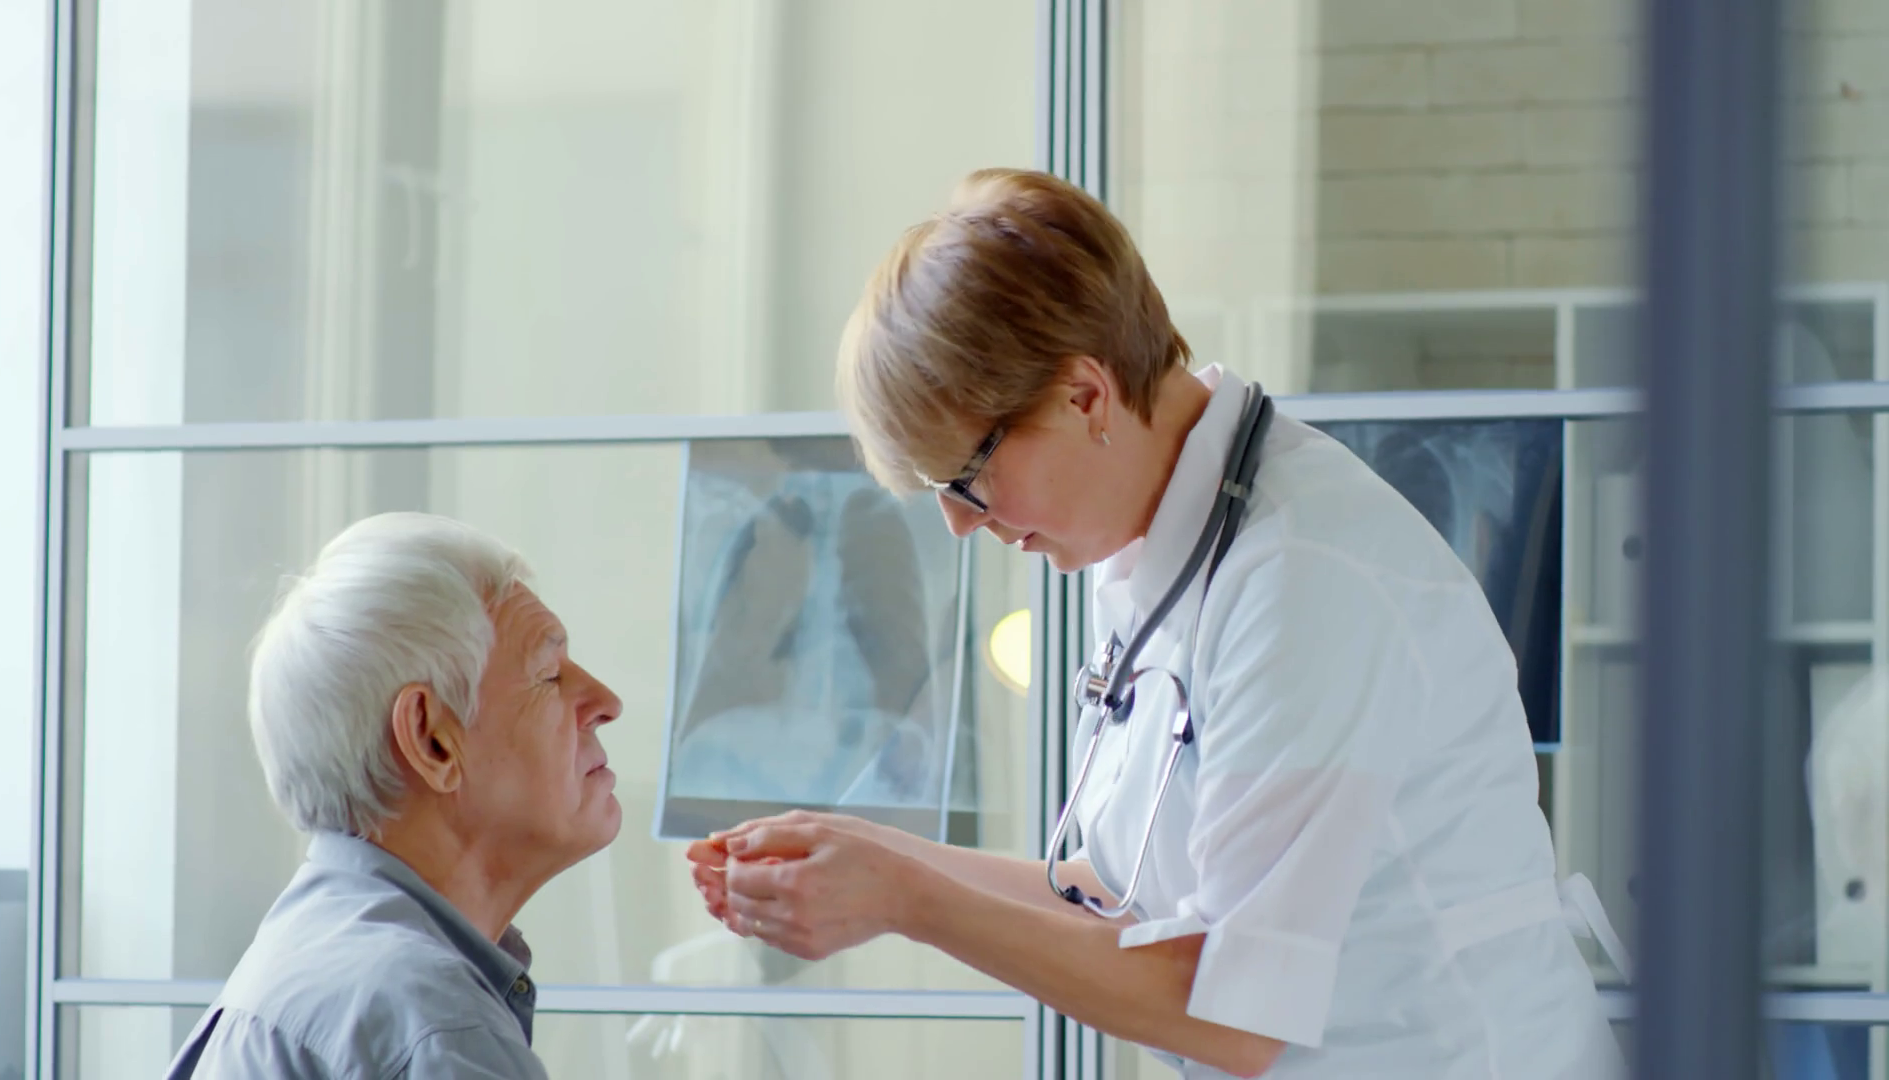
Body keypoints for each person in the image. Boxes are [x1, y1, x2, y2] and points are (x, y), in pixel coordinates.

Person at [687, 169, 1624, 1078]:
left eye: (965, 478)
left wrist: (902, 898)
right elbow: (1106, 894)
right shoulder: (1153, 547)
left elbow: (1235, 1009)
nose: (962, 523)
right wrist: (862, 849)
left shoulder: (1301, 576)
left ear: (1084, 395)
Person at [166, 512, 623, 1079]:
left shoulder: (307, 960)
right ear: (433, 740)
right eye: (549, 675)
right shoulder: (433, 1027)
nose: (606, 702)